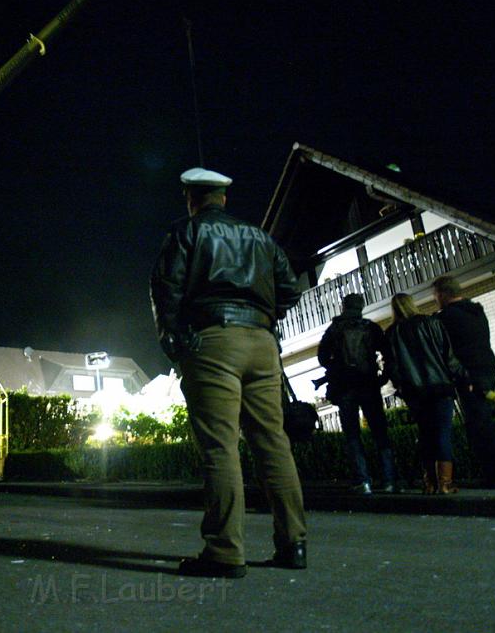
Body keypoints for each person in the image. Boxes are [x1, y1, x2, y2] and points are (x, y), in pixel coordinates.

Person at [150, 166, 306, 577]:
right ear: (224, 198)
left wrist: (174, 342)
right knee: (272, 442)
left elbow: (167, 289)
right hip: (261, 341)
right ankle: (294, 543)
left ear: (191, 198)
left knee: (220, 446)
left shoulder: (186, 232)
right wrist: (262, 316)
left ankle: (224, 550)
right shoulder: (260, 238)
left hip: (214, 339)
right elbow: (291, 289)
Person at [432, 276, 495, 487]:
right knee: (484, 423)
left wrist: (462, 376)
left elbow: (446, 350)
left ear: (442, 294)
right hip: (486, 369)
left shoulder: (447, 318)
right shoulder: (476, 312)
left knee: (479, 427)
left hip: (468, 376)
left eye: (435, 296)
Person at [384, 293, 469, 494]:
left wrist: (401, 387)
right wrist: (464, 377)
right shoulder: (432, 323)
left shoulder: (392, 333)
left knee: (426, 434)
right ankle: (445, 483)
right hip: (440, 387)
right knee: (442, 433)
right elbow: (448, 355)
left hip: (415, 392)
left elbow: (392, 367)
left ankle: (429, 482)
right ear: (412, 304)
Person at [317, 293, 399, 495]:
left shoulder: (334, 329)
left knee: (352, 435)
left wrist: (336, 368)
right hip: (369, 384)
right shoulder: (370, 327)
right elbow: (388, 352)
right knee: (380, 432)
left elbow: (322, 357)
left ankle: (363, 481)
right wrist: (383, 375)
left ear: (344, 306)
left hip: (345, 387)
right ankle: (389, 480)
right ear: (361, 306)